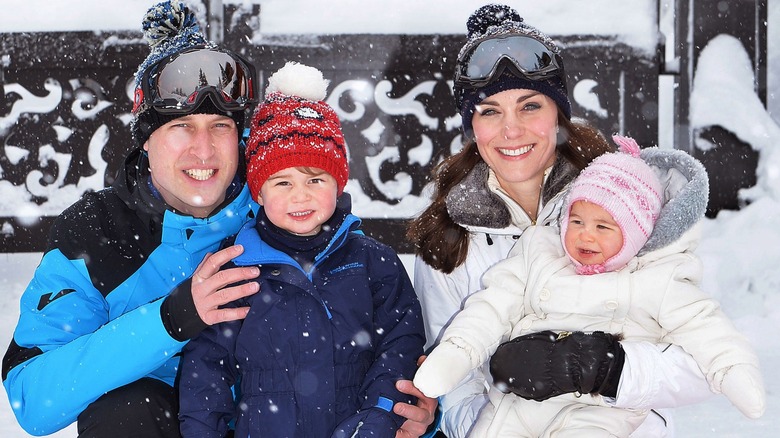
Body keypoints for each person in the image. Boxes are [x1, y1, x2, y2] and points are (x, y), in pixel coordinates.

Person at [1, 2, 434, 437]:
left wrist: (411, 415)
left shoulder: (283, 207)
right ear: (146, 140)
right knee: (128, 409)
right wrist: (170, 320)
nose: (204, 151)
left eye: (219, 127)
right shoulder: (97, 231)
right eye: (181, 127)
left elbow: (374, 339)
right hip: (160, 424)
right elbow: (32, 399)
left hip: (270, 422)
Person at [406, 4, 713, 437]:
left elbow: (700, 362)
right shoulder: (450, 238)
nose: (511, 130)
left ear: (558, 114)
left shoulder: (622, 203)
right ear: (471, 125)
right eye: (490, 111)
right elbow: (454, 386)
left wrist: (604, 369)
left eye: (529, 106)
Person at [413, 135, 766, 436]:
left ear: (634, 234)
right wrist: (458, 351)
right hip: (520, 401)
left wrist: (732, 368)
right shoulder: (541, 253)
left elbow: (705, 327)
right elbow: (490, 307)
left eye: (603, 226)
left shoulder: (656, 277)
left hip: (599, 413)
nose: (585, 235)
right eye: (577, 220)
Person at [177, 62, 426, 438]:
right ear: (258, 192)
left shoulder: (373, 261)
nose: (301, 195)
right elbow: (206, 369)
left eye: (315, 178)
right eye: (282, 183)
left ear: (338, 182)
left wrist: (379, 416)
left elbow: (400, 344)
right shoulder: (235, 267)